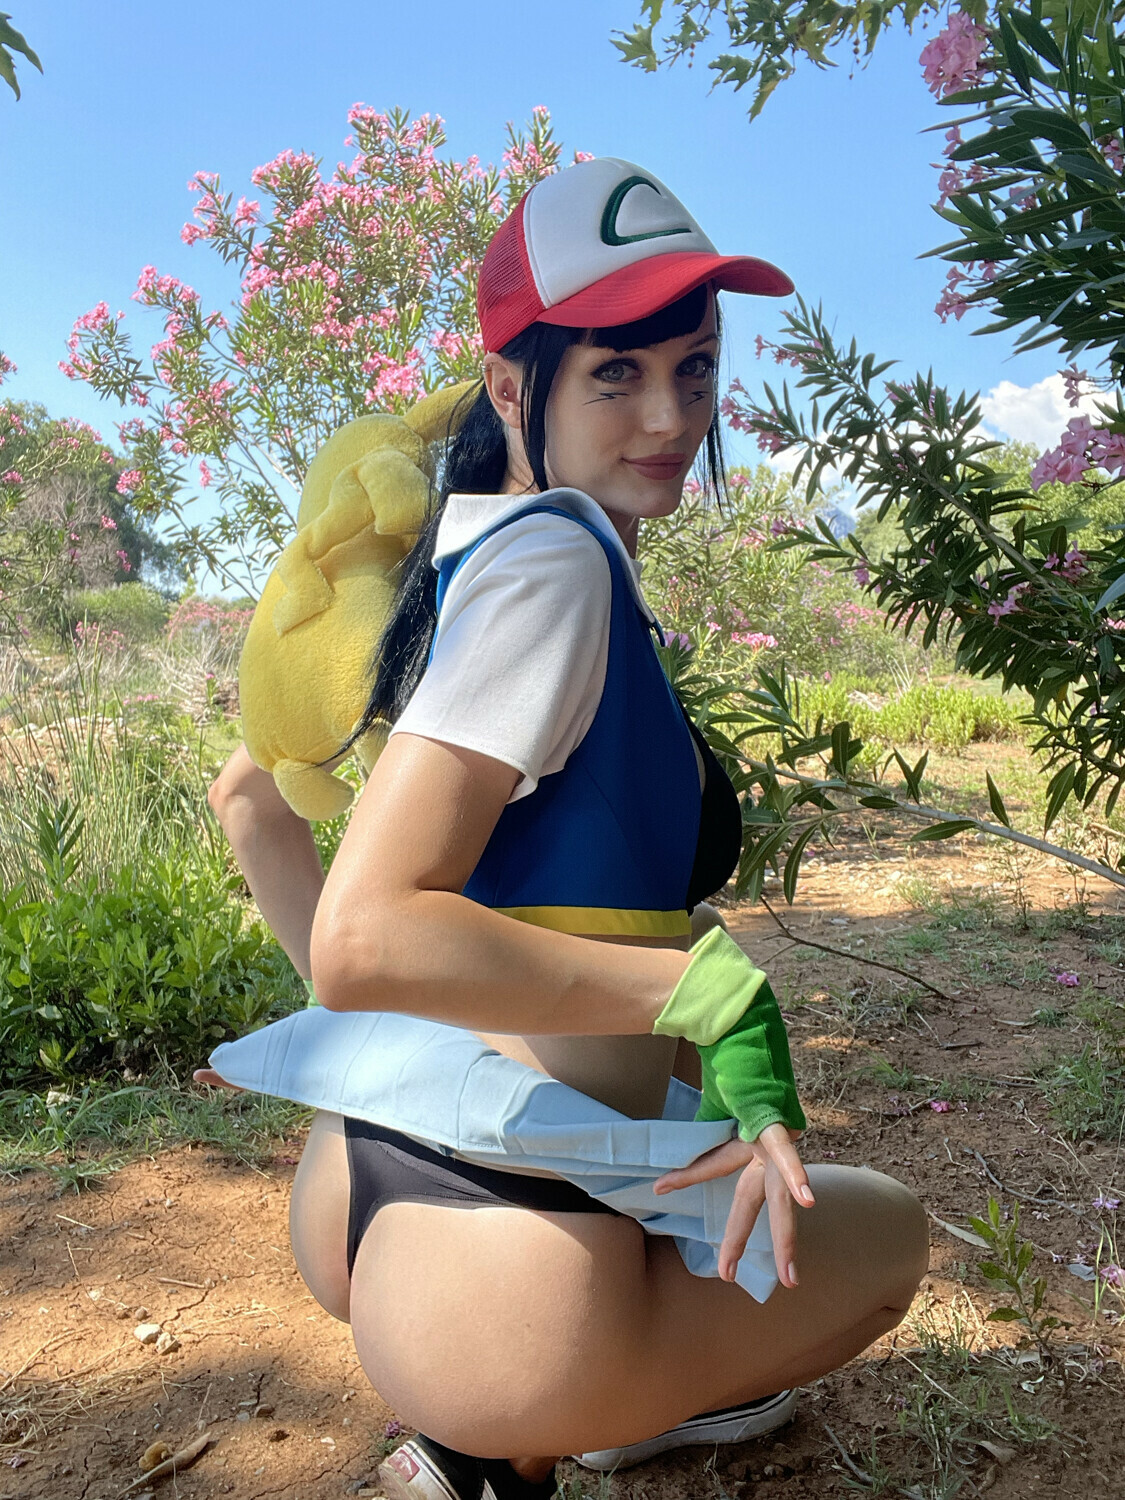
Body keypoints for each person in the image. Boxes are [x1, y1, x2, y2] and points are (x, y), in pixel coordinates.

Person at [199, 157, 929, 1500]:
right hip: (502, 1265)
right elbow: (366, 938)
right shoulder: (556, 562)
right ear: (510, 387)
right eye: (616, 374)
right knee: (888, 1237)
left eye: (694, 370)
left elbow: (251, 801)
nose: (669, 416)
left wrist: (388, 1069)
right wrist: (694, 991)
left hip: (371, 1198)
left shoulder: (455, 567)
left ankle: (490, 1422)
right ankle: (533, 1414)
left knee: (683, 1032)